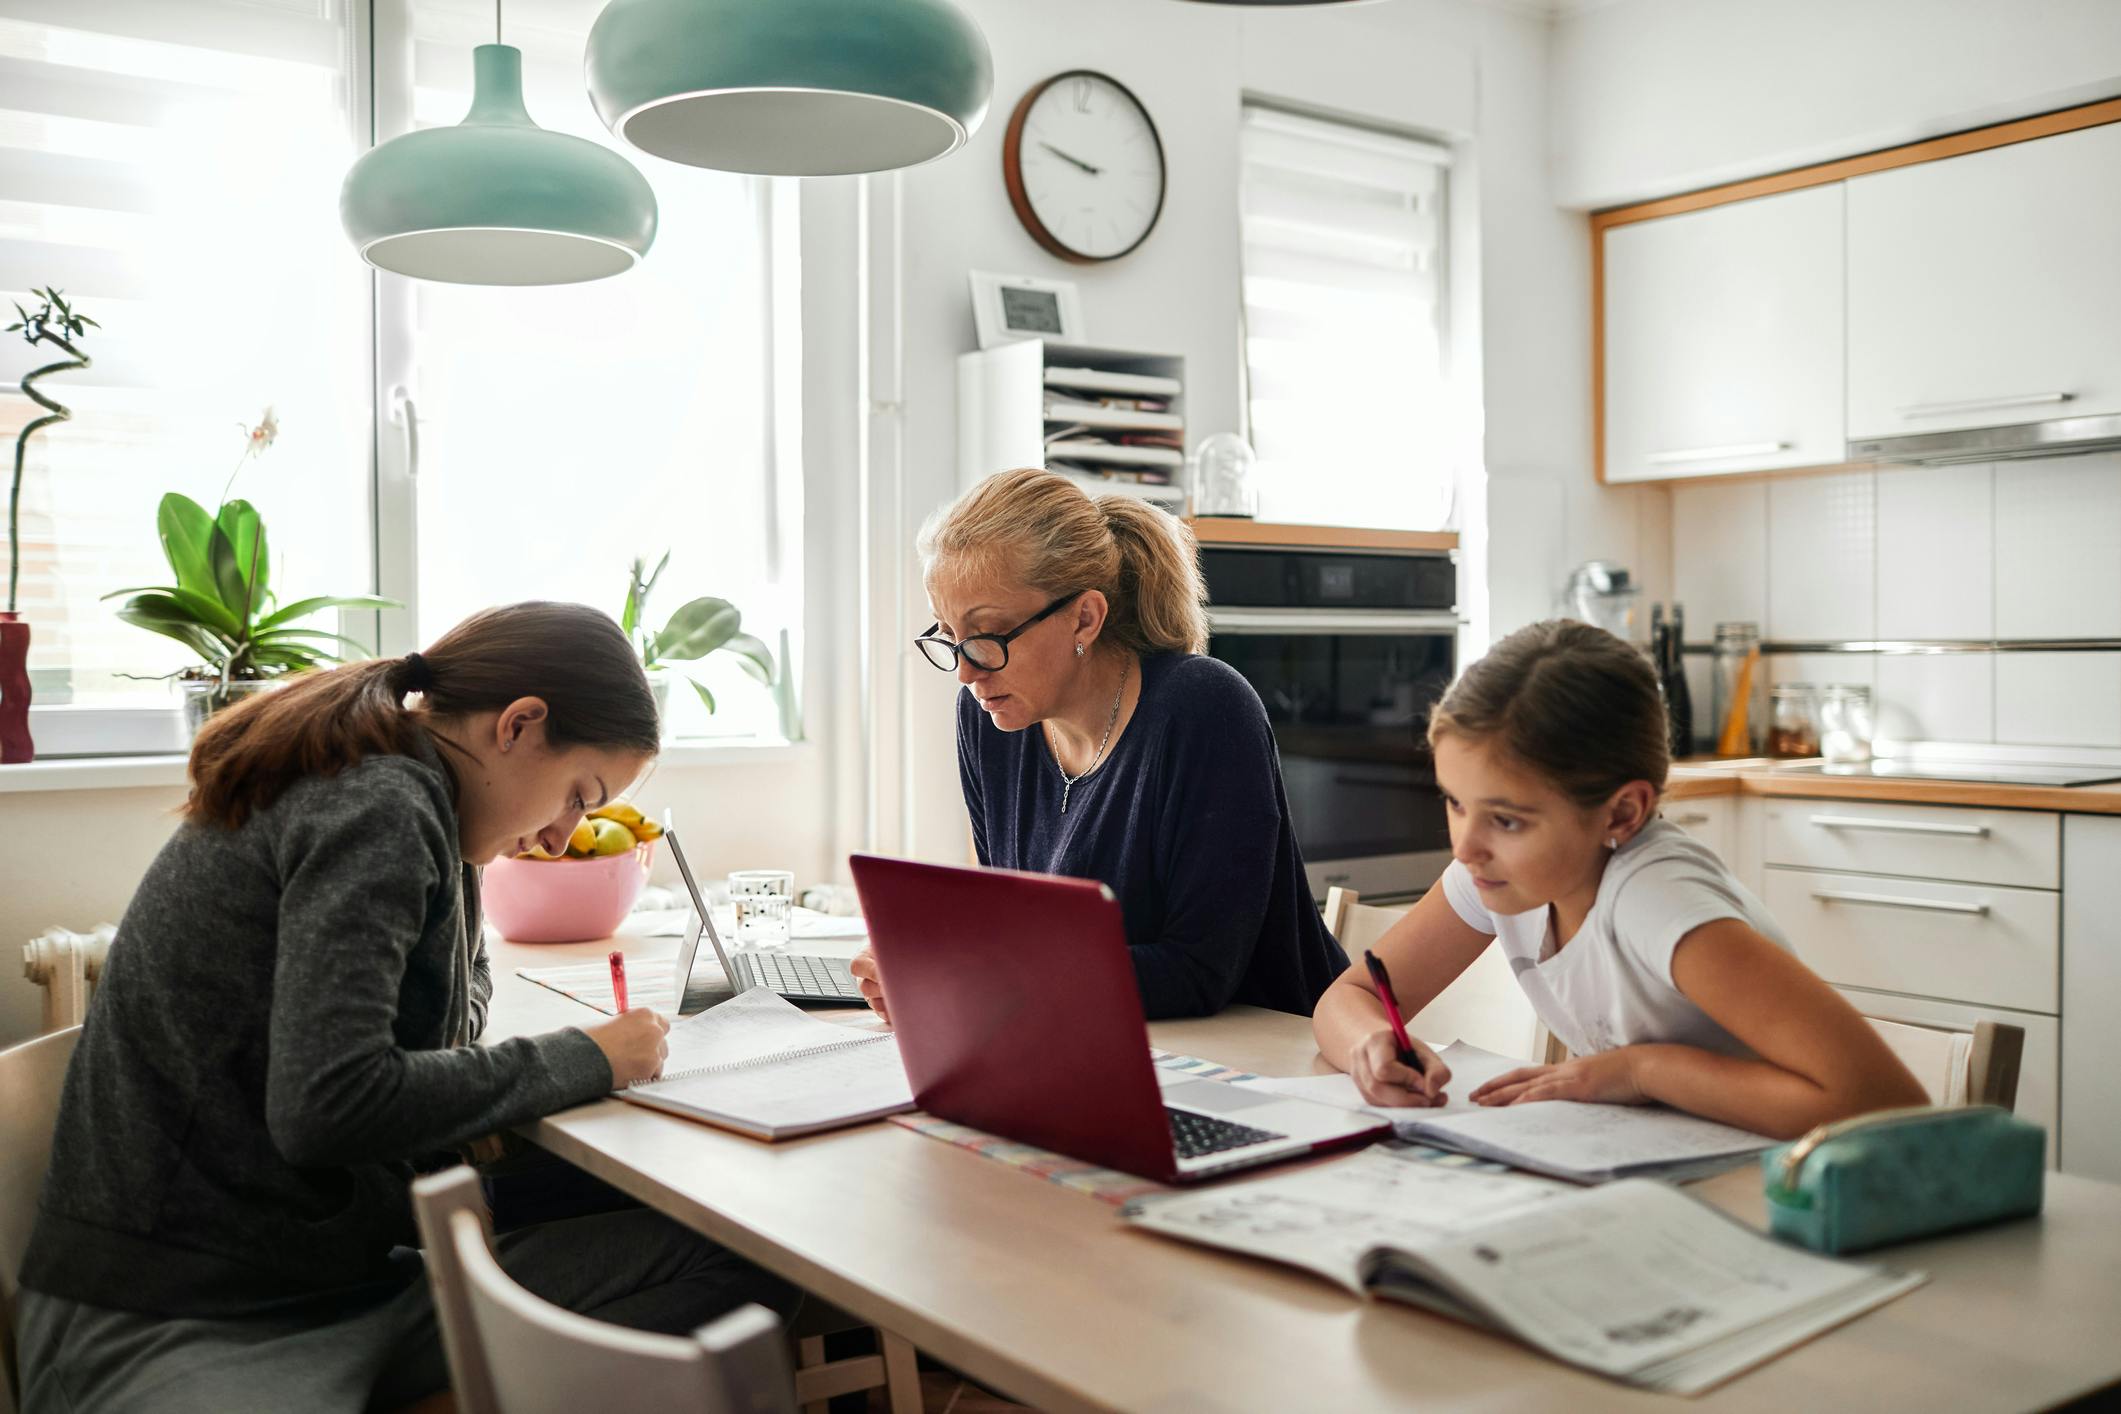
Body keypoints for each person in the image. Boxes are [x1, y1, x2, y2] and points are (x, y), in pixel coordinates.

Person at [15, 602, 796, 1414]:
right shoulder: (377, 804)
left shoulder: (427, 801)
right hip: (183, 1310)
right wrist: (591, 1057)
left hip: (331, 1268)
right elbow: (329, 1107)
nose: (563, 838)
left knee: (749, 1263)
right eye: (576, 795)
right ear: (520, 726)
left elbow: (453, 1008)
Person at [1312, 619, 1927, 1139]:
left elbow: (1886, 1105)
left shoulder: (1657, 902)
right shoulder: (1498, 871)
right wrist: (1371, 1045)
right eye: (1455, 802)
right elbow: (1349, 998)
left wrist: (1639, 1071)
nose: (1466, 847)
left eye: (1506, 819)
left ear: (1622, 813)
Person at [850, 468, 1348, 1022]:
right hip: (1096, 1038)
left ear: (1084, 618)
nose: (966, 672)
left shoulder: (1206, 709)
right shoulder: (988, 717)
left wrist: (980, 978)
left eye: (987, 637)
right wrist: (930, 964)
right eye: (949, 636)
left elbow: (1200, 972)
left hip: (1276, 1057)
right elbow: (1015, 930)